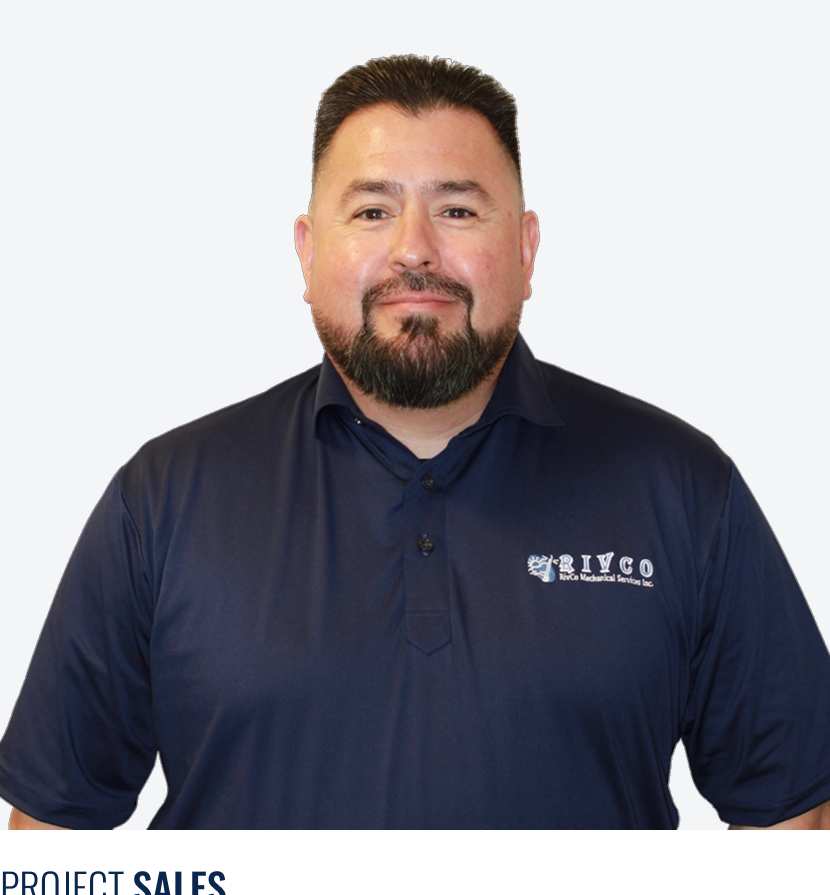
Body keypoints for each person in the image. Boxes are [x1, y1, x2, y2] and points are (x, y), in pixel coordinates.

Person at [2, 55, 829, 830]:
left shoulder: (682, 488)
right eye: (371, 211)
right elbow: (50, 842)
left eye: (458, 209)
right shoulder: (164, 499)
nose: (413, 251)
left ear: (527, 247)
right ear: (307, 250)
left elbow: (796, 822)